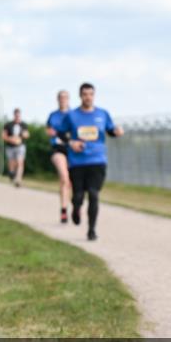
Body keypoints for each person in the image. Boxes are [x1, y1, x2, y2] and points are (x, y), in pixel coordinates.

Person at [57, 83, 123, 240]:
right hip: (77, 162)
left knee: (94, 194)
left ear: (94, 95)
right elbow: (60, 134)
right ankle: (76, 208)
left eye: (91, 94)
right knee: (78, 196)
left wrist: (117, 131)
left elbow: (110, 130)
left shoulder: (102, 114)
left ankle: (91, 230)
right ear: (80, 96)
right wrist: (71, 143)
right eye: (85, 94)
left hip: (97, 160)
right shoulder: (72, 115)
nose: (88, 97)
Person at [46, 90, 73, 223]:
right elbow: (49, 130)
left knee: (72, 182)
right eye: (61, 97)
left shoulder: (74, 114)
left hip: (72, 150)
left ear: (69, 99)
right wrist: (50, 132)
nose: (63, 99)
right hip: (58, 149)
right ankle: (63, 210)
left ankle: (74, 203)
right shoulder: (53, 115)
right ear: (57, 99)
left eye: (65, 97)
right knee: (64, 177)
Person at [2, 108, 30, 187]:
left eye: (18, 115)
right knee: (11, 163)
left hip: (20, 146)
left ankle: (18, 179)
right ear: (14, 115)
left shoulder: (24, 125)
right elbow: (3, 136)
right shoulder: (8, 125)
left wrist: (21, 137)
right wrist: (10, 139)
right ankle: (12, 174)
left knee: (20, 162)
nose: (17, 116)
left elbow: (27, 134)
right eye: (16, 115)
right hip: (10, 147)